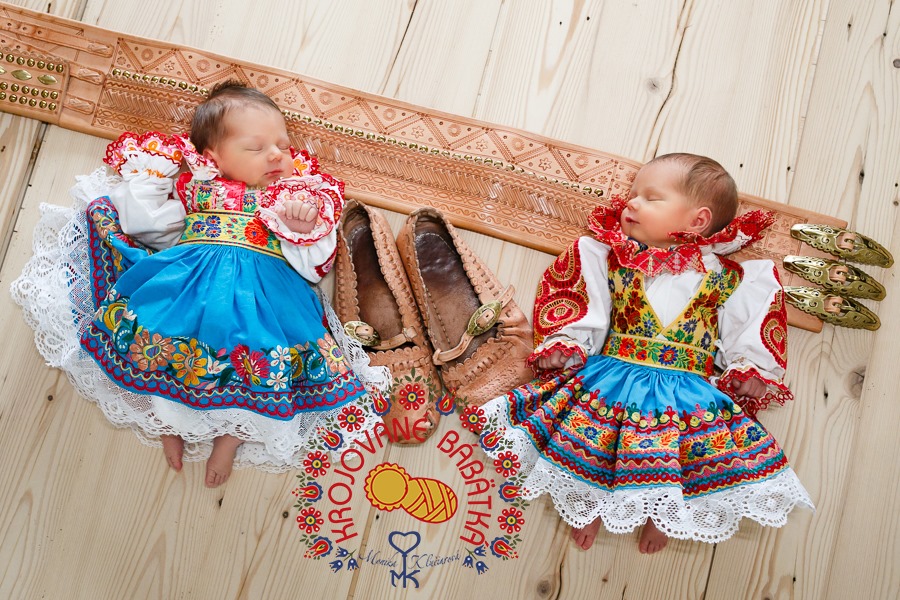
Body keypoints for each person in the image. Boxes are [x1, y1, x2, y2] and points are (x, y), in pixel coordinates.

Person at [12, 82, 388, 487]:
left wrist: (305, 227)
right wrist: (154, 175)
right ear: (212, 157)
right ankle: (166, 424)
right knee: (161, 346)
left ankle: (230, 437)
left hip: (265, 299)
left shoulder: (292, 199)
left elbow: (313, 270)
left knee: (261, 367)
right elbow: (148, 226)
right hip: (189, 283)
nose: (277, 154)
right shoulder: (194, 189)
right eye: (256, 147)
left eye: (282, 144)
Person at [478, 153, 813, 553]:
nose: (630, 203)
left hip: (685, 387)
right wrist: (566, 342)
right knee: (602, 441)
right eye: (632, 194)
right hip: (614, 372)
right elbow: (590, 305)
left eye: (651, 198)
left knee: (677, 451)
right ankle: (593, 506)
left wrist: (748, 368)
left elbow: (749, 324)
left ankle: (665, 513)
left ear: (697, 220)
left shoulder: (730, 277)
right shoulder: (613, 259)